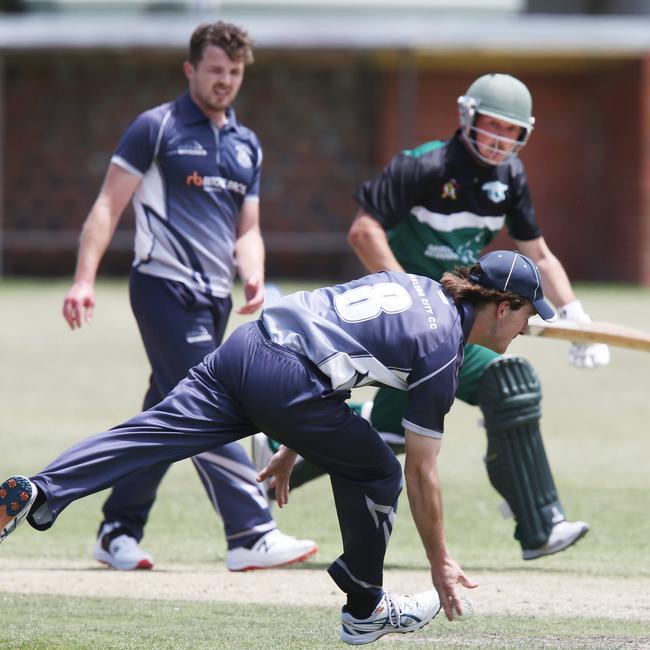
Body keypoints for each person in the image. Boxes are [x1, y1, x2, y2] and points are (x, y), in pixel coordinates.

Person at [3, 250, 555, 644]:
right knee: (379, 471)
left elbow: (343, 344)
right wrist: (440, 562)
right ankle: (366, 610)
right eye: (529, 313)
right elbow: (422, 473)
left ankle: (38, 488)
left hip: (250, 346)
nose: (527, 328)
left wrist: (294, 441)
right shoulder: (443, 351)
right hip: (292, 380)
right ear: (503, 305)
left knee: (149, 433)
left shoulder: (415, 287)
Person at [255, 73, 609, 561]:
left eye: (511, 132)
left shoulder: (512, 179)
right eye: (491, 126)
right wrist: (406, 294)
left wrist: (575, 314)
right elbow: (363, 231)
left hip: (461, 326)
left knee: (391, 436)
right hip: (407, 328)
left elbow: (540, 255)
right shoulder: (425, 166)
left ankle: (271, 454)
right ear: (468, 118)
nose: (500, 140)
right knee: (509, 381)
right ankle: (539, 521)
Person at [60, 21, 316, 571]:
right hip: (161, 290)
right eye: (216, 70)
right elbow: (108, 205)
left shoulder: (248, 145)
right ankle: (250, 530)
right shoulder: (157, 128)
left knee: (166, 411)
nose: (225, 81)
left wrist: (253, 274)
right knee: (211, 405)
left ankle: (116, 530)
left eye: (235, 72)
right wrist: (84, 278)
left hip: (213, 299)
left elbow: (247, 229)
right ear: (191, 69)